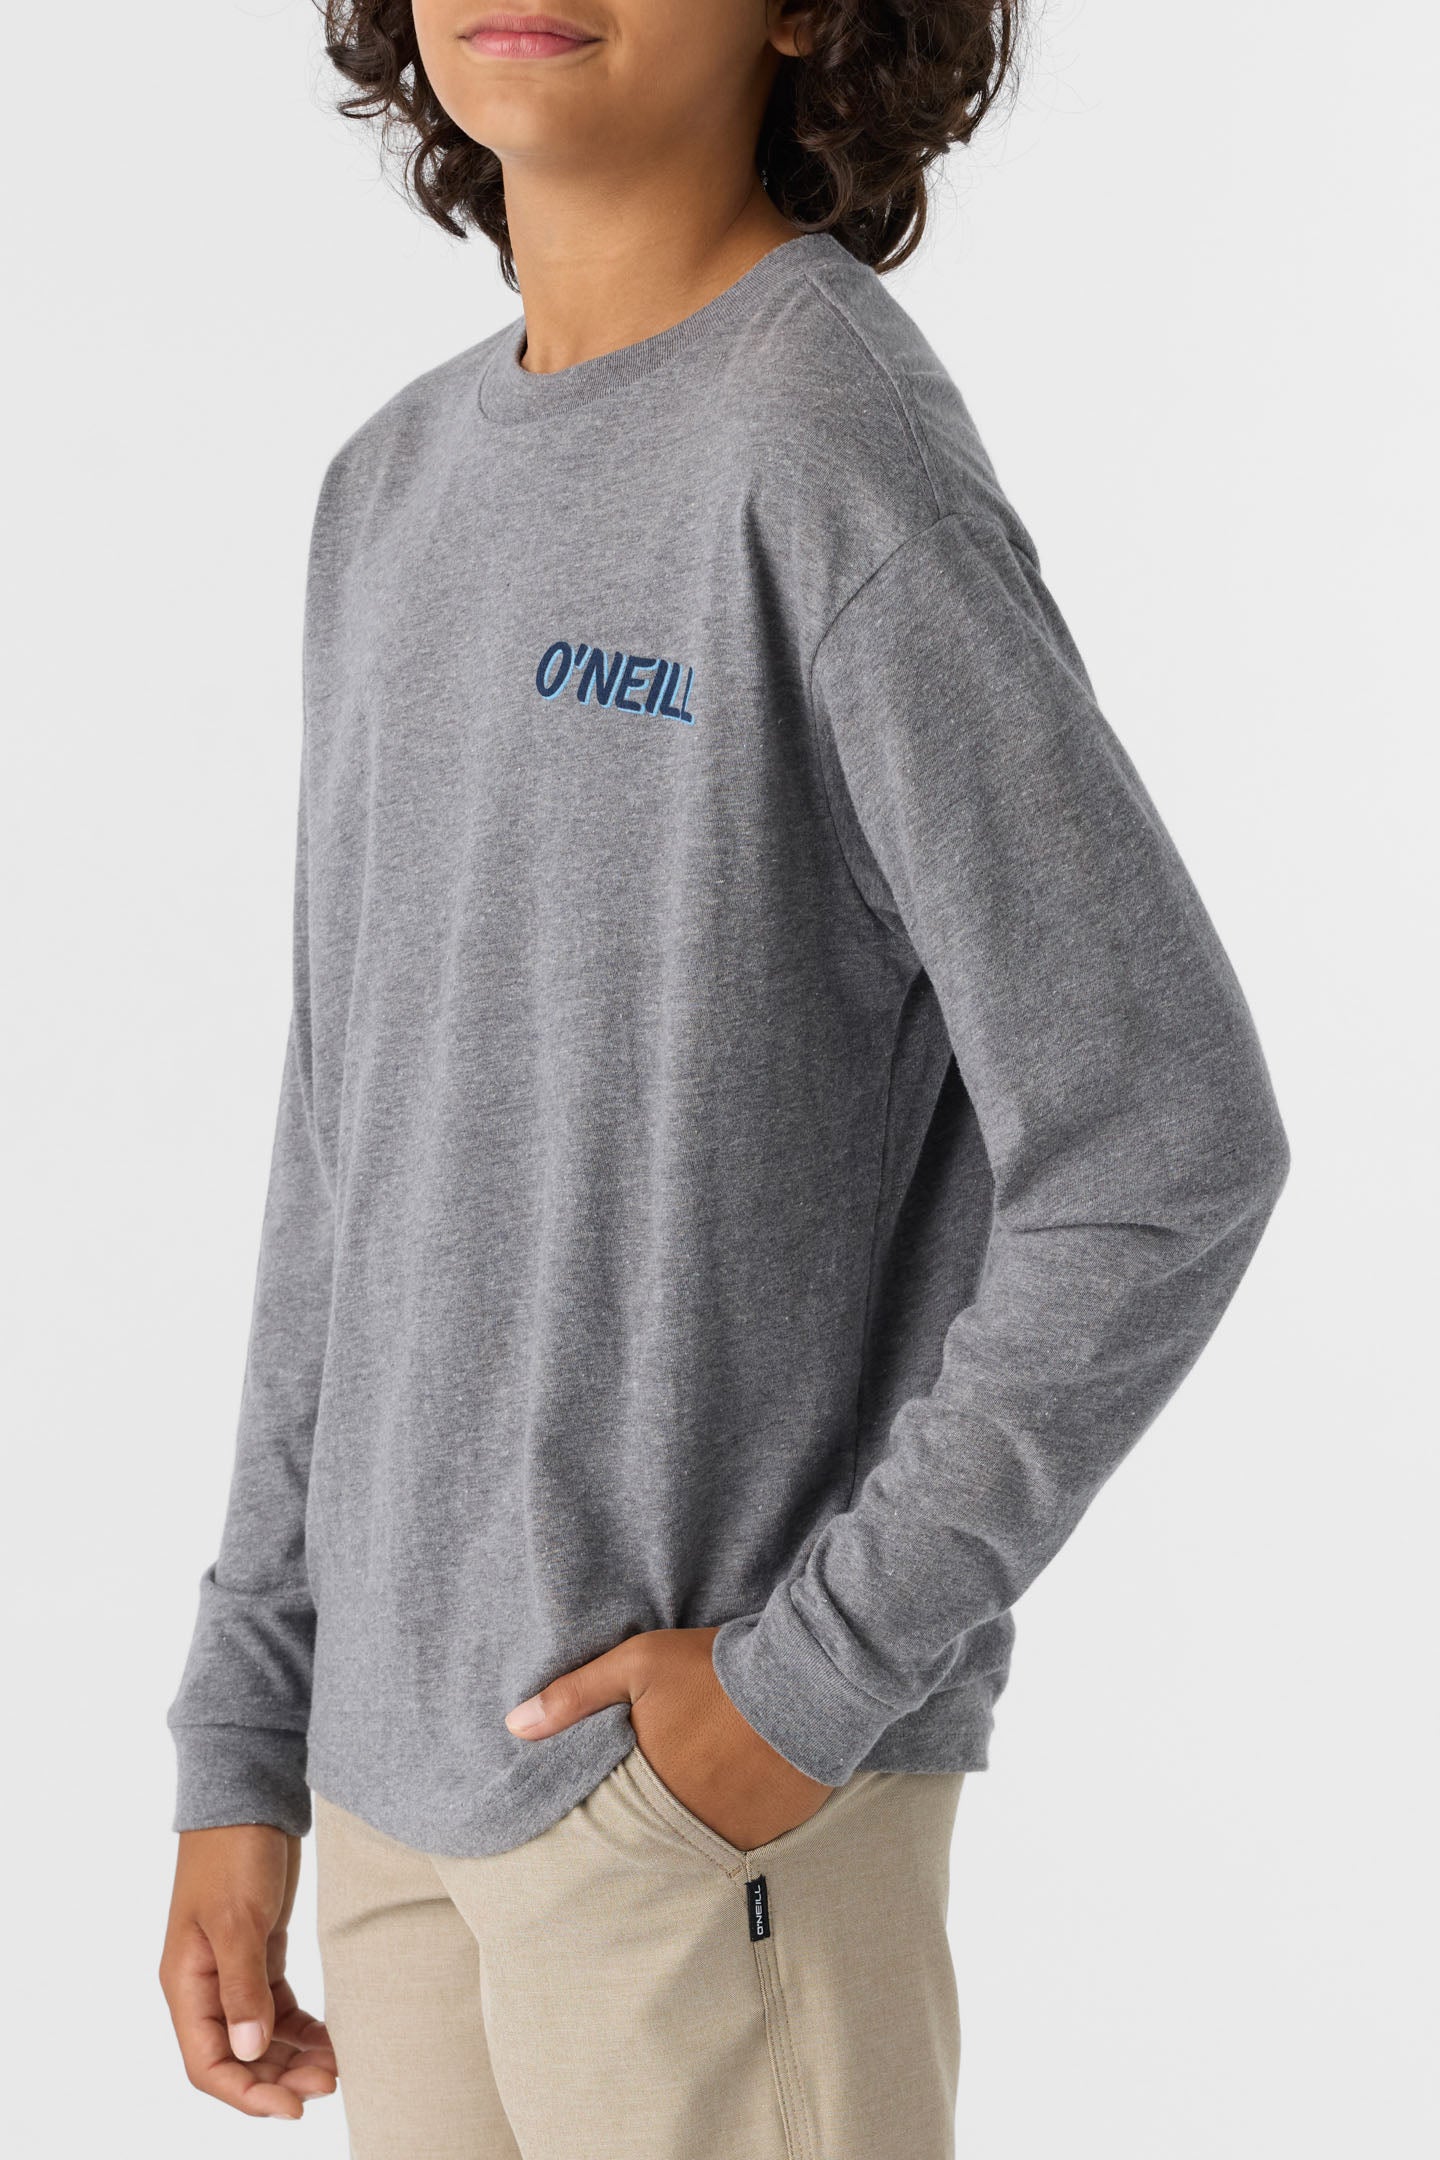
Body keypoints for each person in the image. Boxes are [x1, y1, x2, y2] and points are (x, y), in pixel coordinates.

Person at [158, 3, 1291, 2153]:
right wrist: (248, 1733)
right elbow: (343, 1155)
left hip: (698, 1821)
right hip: (391, 1803)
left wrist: (808, 1684)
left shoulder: (821, 444)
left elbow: (1166, 1140)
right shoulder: (388, 489)